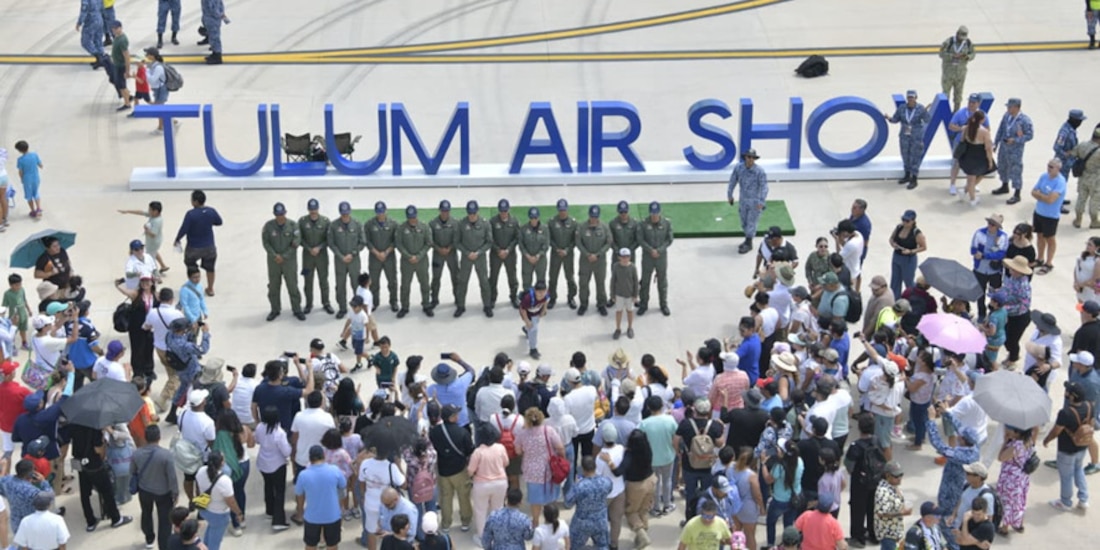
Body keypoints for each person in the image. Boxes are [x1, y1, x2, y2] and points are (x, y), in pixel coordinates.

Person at [69, 423, 132, 532]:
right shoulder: (94, 427)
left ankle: (90, 521)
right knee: (107, 491)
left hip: (80, 464)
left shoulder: (74, 424)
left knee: (85, 494)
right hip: (95, 465)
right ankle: (115, 518)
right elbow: (99, 450)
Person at [1044, 381, 1092, 511]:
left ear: (1071, 396)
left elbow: (1056, 431)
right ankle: (1084, 499)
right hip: (1082, 447)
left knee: (1066, 477)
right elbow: (1091, 424)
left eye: (1068, 391)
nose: (1066, 392)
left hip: (1067, 450)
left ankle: (1065, 502)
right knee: (1079, 470)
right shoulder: (1088, 406)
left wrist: (1047, 440)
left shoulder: (1065, 413)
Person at [514, 406, 565, 525]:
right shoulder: (549, 430)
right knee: (550, 498)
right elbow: (560, 447)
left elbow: (518, 451)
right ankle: (551, 520)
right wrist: (563, 460)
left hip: (531, 470)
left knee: (535, 499)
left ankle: (535, 521)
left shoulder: (522, 433)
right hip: (548, 469)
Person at [428, 404, 473, 533]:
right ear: (451, 417)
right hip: (459, 469)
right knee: (463, 496)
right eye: (455, 414)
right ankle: (465, 521)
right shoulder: (462, 432)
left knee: (445, 497)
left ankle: (446, 523)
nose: (458, 416)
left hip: (442, 470)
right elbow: (469, 450)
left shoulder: (434, 431)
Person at [131, 425, 177, 550]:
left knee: (146, 513)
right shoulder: (166, 455)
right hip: (163, 493)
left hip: (144, 491)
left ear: (145, 438)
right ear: (159, 437)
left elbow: (133, 471)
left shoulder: (136, 454)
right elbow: (172, 477)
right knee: (164, 521)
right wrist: (175, 493)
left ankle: (149, 539)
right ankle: (164, 546)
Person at [295, 445, 344, 550]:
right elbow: (342, 488)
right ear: (324, 456)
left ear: (310, 458)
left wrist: (300, 511)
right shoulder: (335, 470)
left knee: (310, 545)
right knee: (332, 545)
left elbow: (299, 495)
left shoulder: (303, 475)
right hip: (333, 516)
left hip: (312, 517)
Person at [173, 190, 222, 297]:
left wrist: (177, 239)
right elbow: (219, 222)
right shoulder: (211, 211)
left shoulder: (191, 214)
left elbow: (184, 229)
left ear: (195, 202)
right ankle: (210, 288)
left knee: (191, 265)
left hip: (193, 247)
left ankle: (195, 288)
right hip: (209, 247)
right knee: (210, 268)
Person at [262, 202, 304, 321]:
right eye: (277, 214)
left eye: (281, 214)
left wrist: (284, 256)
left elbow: (296, 242)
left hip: (289, 262)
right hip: (274, 262)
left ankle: (297, 309)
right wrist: (275, 255)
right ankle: (275, 309)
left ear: (285, 213)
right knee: (273, 286)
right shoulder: (269, 226)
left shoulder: (293, 225)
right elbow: (266, 243)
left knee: (292, 286)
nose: (280, 217)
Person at [468, 421, 508, 541]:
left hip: (482, 484)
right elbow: (506, 463)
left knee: (480, 511)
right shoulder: (500, 448)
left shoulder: (478, 452)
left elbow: (470, 470)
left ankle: (482, 537)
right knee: (498, 509)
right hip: (500, 483)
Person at [885, 90, 932, 189]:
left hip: (916, 137)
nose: (910, 99)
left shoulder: (920, 108)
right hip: (904, 137)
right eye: (909, 97)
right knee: (905, 155)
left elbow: (928, 120)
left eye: (912, 97)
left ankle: (914, 178)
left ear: (916, 98)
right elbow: (895, 119)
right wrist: (889, 118)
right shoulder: (902, 108)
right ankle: (907, 175)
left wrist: (925, 112)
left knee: (915, 157)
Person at [254, 406, 292, 530]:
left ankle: (269, 511)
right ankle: (278, 520)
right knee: (279, 491)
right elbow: (286, 452)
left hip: (263, 463)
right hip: (277, 465)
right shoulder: (279, 433)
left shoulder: (259, 427)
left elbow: (257, 441)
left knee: (268, 487)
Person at [991, 98, 1035, 204]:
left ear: (1016, 107)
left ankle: (1017, 193)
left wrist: (1015, 140)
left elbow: (1029, 135)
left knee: (1015, 170)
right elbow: (1000, 129)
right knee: (1002, 166)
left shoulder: (1024, 120)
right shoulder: (1006, 116)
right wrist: (996, 142)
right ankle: (1004, 185)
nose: (1008, 108)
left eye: (1010, 107)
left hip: (1015, 150)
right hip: (1004, 147)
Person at [636, 200, 674, 316]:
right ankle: (643, 304)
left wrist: (659, 250)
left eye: (656, 214)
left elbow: (669, 239)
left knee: (662, 282)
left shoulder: (666, 223)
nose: (654, 216)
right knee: (645, 282)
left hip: (661, 258)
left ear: (659, 213)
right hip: (648, 257)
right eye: (652, 214)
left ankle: (663, 304)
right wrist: (650, 250)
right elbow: (640, 239)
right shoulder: (643, 224)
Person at [565, 456, 612, 548]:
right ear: (595, 467)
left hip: (582, 523)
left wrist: (576, 483)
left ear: (583, 469)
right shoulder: (606, 482)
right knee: (603, 546)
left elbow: (568, 502)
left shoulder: (579, 486)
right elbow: (610, 490)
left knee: (574, 546)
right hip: (600, 521)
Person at [455, 200, 493, 318]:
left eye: (474, 213)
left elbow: (489, 242)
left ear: (477, 212)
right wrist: (467, 253)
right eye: (470, 213)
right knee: (462, 282)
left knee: (484, 282)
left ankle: (487, 305)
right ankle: (460, 306)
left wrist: (479, 252)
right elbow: (457, 242)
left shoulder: (485, 224)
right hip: (466, 258)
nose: (472, 216)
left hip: (480, 257)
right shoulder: (461, 224)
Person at [395, 205, 433, 318]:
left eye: (413, 217)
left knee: (425, 284)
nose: (412, 219)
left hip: (421, 261)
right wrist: (408, 256)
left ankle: (426, 305)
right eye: (410, 217)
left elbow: (429, 243)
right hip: (407, 262)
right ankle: (405, 306)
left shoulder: (424, 227)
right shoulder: (401, 228)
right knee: (405, 285)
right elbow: (399, 244)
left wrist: (419, 256)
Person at [727, 149, 769, 254]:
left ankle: (749, 242)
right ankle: (747, 239)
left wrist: (761, 201)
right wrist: (730, 195)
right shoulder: (739, 168)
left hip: (754, 202)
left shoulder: (759, 171)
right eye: (748, 157)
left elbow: (764, 187)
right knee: (744, 222)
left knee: (751, 222)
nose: (750, 160)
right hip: (743, 200)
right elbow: (733, 181)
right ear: (745, 157)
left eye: (752, 158)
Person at [297, 199, 333, 315]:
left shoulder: (325, 222)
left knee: (324, 280)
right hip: (307, 258)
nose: (313, 212)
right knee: (307, 281)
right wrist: (309, 248)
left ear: (318, 209)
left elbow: (329, 239)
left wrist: (319, 247)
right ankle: (308, 304)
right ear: (308, 209)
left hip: (322, 257)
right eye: (311, 210)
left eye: (315, 209)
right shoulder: (302, 222)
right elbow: (299, 239)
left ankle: (326, 303)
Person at [329, 201, 365, 319]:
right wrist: (341, 256)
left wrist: (353, 254)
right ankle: (342, 308)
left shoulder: (357, 224)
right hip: (340, 261)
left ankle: (358, 307)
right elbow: (331, 243)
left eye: (347, 213)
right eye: (343, 213)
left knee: (356, 284)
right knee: (340, 285)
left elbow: (362, 242)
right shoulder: (334, 225)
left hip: (354, 260)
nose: (345, 215)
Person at [575, 205, 612, 317]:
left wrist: (598, 254)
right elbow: (578, 242)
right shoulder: (581, 227)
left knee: (600, 283)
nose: (593, 219)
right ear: (589, 215)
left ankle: (601, 304)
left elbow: (608, 242)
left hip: (600, 261)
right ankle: (583, 304)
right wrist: (587, 254)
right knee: (583, 283)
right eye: (592, 216)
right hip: (585, 260)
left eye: (595, 217)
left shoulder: (604, 227)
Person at [970, 214, 1008, 322]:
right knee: (979, 294)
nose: (990, 226)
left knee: (995, 295)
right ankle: (981, 314)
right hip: (980, 270)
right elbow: (973, 249)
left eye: (993, 224)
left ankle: (993, 314)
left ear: (997, 227)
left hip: (994, 272)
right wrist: (990, 255)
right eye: (989, 223)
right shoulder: (979, 233)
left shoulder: (1003, 237)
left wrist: (984, 255)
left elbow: (1001, 254)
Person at [364, 201, 399, 313]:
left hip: (389, 257)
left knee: (392, 281)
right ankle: (374, 302)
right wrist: (376, 253)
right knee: (374, 282)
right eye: (378, 212)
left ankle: (393, 301)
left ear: (386, 211)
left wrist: (387, 252)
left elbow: (396, 241)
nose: (380, 214)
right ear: (375, 212)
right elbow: (367, 241)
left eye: (382, 212)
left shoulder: (393, 224)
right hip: (375, 258)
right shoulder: (369, 224)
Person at [957, 109, 996, 207]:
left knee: (971, 178)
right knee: (980, 175)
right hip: (979, 156)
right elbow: (988, 148)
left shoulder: (966, 128)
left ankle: (966, 191)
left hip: (968, 154)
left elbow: (962, 140)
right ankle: (972, 199)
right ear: (982, 120)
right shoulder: (984, 132)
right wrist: (990, 161)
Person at [488, 199, 522, 310]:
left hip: (510, 254)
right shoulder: (492, 221)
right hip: (495, 254)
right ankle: (492, 298)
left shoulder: (514, 221)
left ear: (508, 210)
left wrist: (508, 250)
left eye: (505, 211)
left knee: (512, 276)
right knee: (493, 277)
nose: (503, 213)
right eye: (501, 211)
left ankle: (513, 297)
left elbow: (517, 238)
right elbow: (489, 238)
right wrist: (498, 250)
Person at [872, 461, 910, 550]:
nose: (900, 478)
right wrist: (902, 513)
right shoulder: (883, 491)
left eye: (901, 475)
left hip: (895, 531)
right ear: (887, 475)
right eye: (896, 476)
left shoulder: (893, 486)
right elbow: (882, 513)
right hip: (887, 533)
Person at [888, 210, 926, 299]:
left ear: (913, 221)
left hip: (908, 259)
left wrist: (911, 251)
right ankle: (895, 299)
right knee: (895, 281)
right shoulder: (899, 227)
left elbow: (923, 247)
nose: (905, 222)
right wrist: (893, 244)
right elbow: (891, 238)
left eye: (907, 221)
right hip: (897, 256)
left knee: (908, 281)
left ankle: (913, 299)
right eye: (903, 220)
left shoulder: (916, 233)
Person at [1068, 126, 1100, 229]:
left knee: (1081, 199)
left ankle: (1078, 220)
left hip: (1083, 176)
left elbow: (1072, 153)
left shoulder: (1082, 145)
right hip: (1096, 179)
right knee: (1094, 201)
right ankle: (1094, 222)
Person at [939, 25, 975, 112]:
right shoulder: (949, 42)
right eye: (960, 36)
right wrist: (952, 56)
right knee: (945, 95)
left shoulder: (968, 43)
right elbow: (941, 54)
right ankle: (945, 112)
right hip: (948, 74)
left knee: (958, 95)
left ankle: (956, 112)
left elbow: (973, 54)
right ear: (957, 34)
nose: (962, 39)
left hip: (960, 74)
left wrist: (967, 57)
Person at [610, 248, 639, 340]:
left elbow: (635, 281)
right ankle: (618, 329)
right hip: (619, 294)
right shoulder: (616, 267)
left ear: (630, 257)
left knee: (629, 311)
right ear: (619, 257)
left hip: (629, 295)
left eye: (627, 257)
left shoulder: (633, 267)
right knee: (619, 311)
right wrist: (612, 294)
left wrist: (635, 295)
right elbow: (613, 281)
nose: (625, 259)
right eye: (623, 257)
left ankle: (630, 328)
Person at [519, 281, 548, 359]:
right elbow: (523, 309)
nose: (541, 294)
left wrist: (544, 310)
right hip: (527, 314)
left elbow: (545, 301)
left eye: (543, 292)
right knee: (534, 329)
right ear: (535, 291)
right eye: (539, 292)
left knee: (532, 326)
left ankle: (526, 329)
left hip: (536, 312)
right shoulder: (528, 298)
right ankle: (533, 349)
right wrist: (527, 321)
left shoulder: (546, 295)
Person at [76, 0, 106, 68]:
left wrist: (79, 22)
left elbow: (84, 10)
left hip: (91, 21)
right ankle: (101, 58)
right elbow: (102, 7)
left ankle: (97, 57)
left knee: (85, 41)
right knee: (98, 40)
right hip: (99, 19)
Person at [1075, 237, 1100, 303]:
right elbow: (1076, 270)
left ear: (1097, 248)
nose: (1087, 246)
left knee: (1090, 310)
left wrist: (1080, 284)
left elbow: (1095, 279)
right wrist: (1076, 282)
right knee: (1080, 307)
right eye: (1087, 244)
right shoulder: (1082, 257)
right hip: (1081, 290)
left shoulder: (1098, 261)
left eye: (1090, 245)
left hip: (1091, 291)